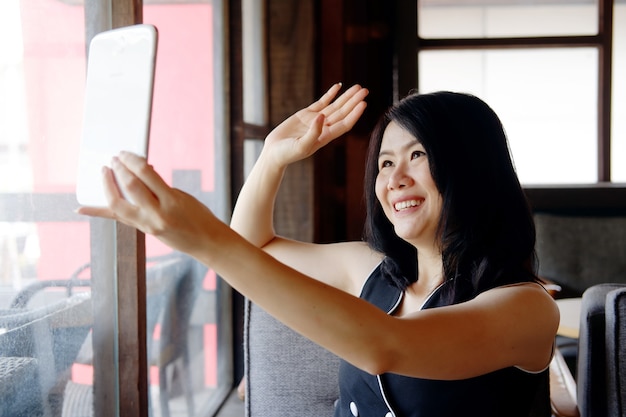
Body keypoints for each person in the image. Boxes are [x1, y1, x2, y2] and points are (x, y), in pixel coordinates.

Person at [78, 83, 559, 417]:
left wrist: (204, 238)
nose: (394, 180)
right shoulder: (373, 271)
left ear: (472, 168)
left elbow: (386, 345)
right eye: (385, 163)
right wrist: (272, 155)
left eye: (417, 155)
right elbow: (253, 248)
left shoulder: (525, 308)